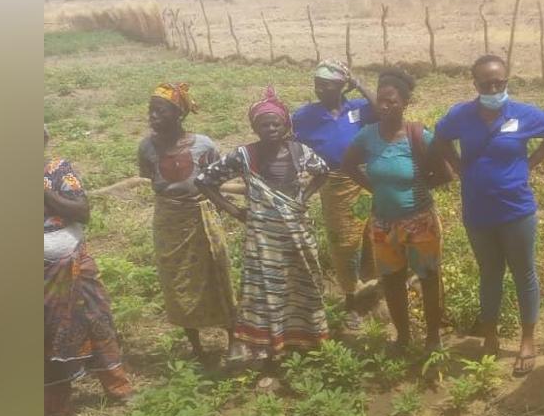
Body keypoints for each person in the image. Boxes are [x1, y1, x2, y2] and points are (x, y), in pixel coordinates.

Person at [432, 54, 544, 376]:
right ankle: (489, 335)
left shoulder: (522, 114)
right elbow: (439, 137)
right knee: (490, 273)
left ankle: (528, 339)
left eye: (499, 82)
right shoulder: (461, 116)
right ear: (475, 83)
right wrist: (458, 166)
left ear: (507, 81)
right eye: (486, 83)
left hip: (517, 210)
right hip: (478, 211)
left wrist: (529, 164)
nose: (493, 88)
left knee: (524, 274)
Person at [195, 86, 330, 362]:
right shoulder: (244, 156)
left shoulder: (299, 151)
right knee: (266, 290)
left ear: (285, 125)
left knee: (301, 283)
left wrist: (304, 196)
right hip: (263, 240)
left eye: (275, 123)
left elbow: (323, 171)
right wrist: (235, 211)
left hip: (297, 235)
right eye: (263, 124)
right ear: (255, 128)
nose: (270, 128)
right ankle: (270, 346)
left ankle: (305, 340)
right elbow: (204, 181)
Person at [340, 68, 448, 354]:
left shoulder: (418, 135)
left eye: (392, 102)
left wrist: (418, 187)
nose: (385, 107)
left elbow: (446, 172)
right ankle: (402, 338)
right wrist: (375, 187)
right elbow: (348, 165)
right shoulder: (367, 136)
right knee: (392, 281)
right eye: (381, 101)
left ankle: (433, 337)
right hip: (383, 223)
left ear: (406, 103)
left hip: (420, 220)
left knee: (428, 279)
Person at [137, 83, 236, 367]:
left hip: (201, 214)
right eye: (150, 111)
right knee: (177, 281)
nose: (153, 117)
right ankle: (197, 348)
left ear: (178, 114)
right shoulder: (146, 147)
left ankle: (234, 340)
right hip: (169, 220)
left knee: (217, 271)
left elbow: (215, 180)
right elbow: (149, 177)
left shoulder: (204, 144)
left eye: (160, 111)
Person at [45, 126, 134, 416]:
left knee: (97, 319)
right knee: (48, 335)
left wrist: (44, 192)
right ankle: (59, 408)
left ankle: (118, 388)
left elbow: (82, 211)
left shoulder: (58, 171)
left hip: (72, 261)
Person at [291, 60, 378, 331]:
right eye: (317, 84)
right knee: (343, 244)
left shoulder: (358, 109)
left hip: (365, 182)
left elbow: (383, 109)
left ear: (342, 86)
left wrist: (360, 85)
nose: (319, 89)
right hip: (335, 184)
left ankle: (374, 290)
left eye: (326, 85)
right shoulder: (305, 116)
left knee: (371, 234)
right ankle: (351, 300)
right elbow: (292, 144)